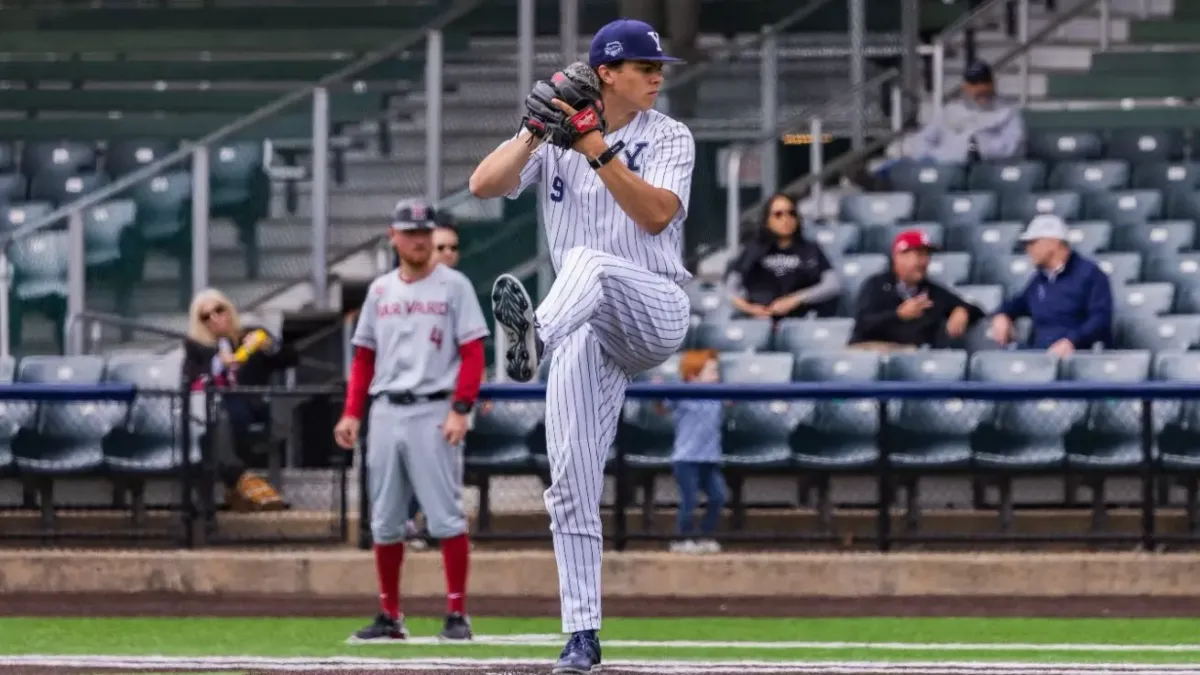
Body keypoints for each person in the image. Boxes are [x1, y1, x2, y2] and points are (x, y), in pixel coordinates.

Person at [467, 18, 694, 674]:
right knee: (567, 480)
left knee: (588, 262)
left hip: (651, 306)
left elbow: (654, 215)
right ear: (606, 73)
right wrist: (535, 130)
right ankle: (581, 633)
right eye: (645, 67)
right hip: (582, 327)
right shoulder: (560, 132)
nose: (657, 75)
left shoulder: (669, 133)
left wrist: (593, 142)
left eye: (659, 67)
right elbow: (484, 184)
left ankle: (532, 335)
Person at [333, 199, 489, 643]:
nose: (419, 239)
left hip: (432, 408)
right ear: (394, 236)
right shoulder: (381, 290)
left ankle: (457, 613)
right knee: (383, 519)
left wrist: (461, 408)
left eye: (425, 232)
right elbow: (364, 358)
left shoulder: (453, 286)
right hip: (385, 409)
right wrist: (351, 413)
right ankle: (389, 614)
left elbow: (473, 352)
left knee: (445, 516)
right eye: (411, 232)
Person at [183, 288, 296, 512]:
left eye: (219, 310)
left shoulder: (250, 335)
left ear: (229, 309)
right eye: (206, 316)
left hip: (251, 403)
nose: (215, 318)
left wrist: (270, 347)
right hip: (214, 407)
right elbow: (190, 378)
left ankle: (236, 485)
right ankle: (241, 480)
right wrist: (217, 364)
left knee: (229, 415)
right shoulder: (196, 347)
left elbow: (291, 358)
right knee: (218, 416)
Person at [403, 217, 463, 552]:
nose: (447, 254)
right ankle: (407, 524)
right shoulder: (405, 287)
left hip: (449, 397)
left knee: (447, 470)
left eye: (453, 248)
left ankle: (437, 528)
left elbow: (470, 347)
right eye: (441, 247)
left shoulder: (459, 290)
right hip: (410, 396)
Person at [990, 214, 1113, 355]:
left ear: (1053, 243)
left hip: (1077, 357)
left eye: (1032, 243)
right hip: (1041, 357)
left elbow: (1100, 320)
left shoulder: (1090, 274)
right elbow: (1017, 303)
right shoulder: (1040, 279)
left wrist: (1072, 341)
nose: (1028, 249)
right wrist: (1002, 315)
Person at [848, 229, 985, 351]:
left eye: (927, 255)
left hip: (911, 360)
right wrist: (898, 315)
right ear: (899, 256)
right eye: (919, 255)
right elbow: (863, 323)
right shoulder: (876, 285)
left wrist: (962, 310)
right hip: (870, 350)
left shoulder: (932, 291)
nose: (924, 262)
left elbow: (977, 311)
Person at [727, 192, 840, 320]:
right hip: (758, 320)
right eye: (778, 214)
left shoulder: (810, 249)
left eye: (791, 213)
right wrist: (751, 309)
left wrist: (795, 300)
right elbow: (730, 290)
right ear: (767, 220)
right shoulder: (752, 250)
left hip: (799, 320)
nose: (786, 219)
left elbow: (832, 285)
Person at [661, 349, 726, 554]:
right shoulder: (683, 394)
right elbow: (663, 406)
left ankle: (705, 535)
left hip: (710, 457)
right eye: (711, 372)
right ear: (693, 375)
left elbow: (733, 399)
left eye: (716, 371)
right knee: (690, 500)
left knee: (718, 496)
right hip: (686, 459)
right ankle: (682, 538)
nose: (716, 376)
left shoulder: (718, 395)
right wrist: (657, 391)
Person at [907, 61, 1024, 165]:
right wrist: (937, 155)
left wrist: (979, 148)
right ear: (965, 86)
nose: (981, 88)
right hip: (944, 168)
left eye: (985, 82)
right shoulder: (949, 110)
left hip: (982, 169)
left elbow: (1014, 147)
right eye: (975, 84)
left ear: (993, 83)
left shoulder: (1007, 112)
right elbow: (923, 140)